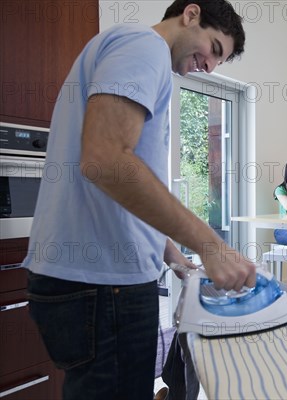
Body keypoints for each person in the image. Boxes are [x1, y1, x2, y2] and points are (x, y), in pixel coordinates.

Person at [22, 1, 255, 399]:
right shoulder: (142, 45)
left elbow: (120, 186)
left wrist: (174, 256)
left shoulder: (125, 52)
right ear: (191, 15)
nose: (211, 66)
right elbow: (107, 161)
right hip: (102, 285)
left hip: (88, 281)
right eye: (215, 48)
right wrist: (210, 244)